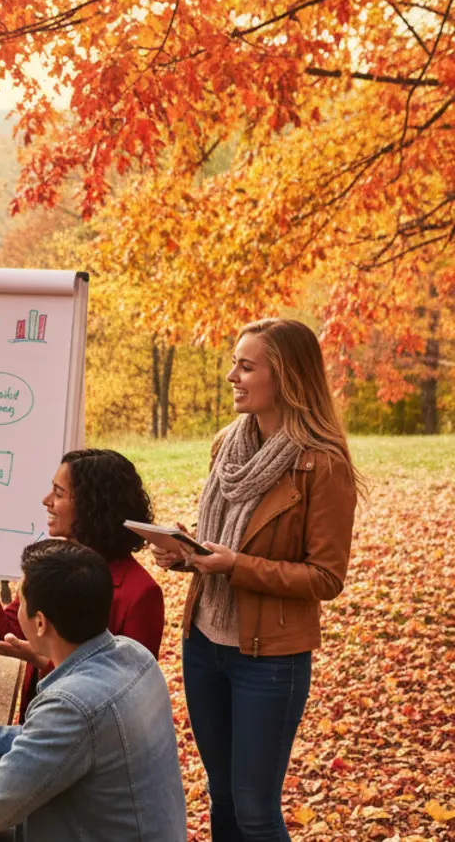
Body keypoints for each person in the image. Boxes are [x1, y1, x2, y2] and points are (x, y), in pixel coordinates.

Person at [150, 318, 359, 842]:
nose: (231, 376)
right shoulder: (228, 444)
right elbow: (225, 534)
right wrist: (187, 553)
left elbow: (327, 576)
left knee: (255, 811)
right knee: (221, 798)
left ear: (285, 378)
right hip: (204, 644)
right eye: (234, 363)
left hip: (269, 660)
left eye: (246, 366)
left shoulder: (321, 464)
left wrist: (235, 566)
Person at [0, 540, 187, 840]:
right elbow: (44, 739)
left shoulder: (72, 706)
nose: (16, 610)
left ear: (39, 623)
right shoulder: (133, 655)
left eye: (20, 601)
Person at [0, 448, 164, 716]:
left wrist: (40, 659)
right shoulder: (51, 564)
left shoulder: (141, 594)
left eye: (59, 493)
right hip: (38, 723)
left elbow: (126, 695)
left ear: (92, 505)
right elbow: (5, 634)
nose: (46, 500)